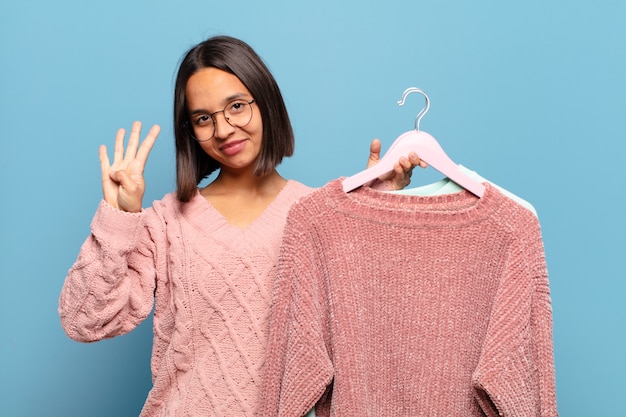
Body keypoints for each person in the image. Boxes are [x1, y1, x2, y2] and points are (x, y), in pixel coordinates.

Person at [58, 35, 424, 416]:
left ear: (265, 101)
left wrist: (368, 216)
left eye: (236, 106)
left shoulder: (319, 215)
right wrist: (120, 219)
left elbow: (369, 342)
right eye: (203, 118)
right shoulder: (165, 223)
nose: (223, 129)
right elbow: (84, 321)